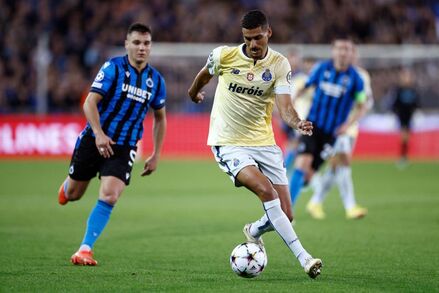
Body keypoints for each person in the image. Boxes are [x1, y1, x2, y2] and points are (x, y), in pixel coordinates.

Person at [188, 10, 322, 279]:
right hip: (228, 142)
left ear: (268, 33)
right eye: (248, 38)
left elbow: (285, 108)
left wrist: (297, 122)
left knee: (286, 213)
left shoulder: (279, 64)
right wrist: (193, 93)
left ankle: (254, 231)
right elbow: (204, 75)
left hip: (264, 143)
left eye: (258, 37)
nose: (253, 44)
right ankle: (305, 258)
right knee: (265, 190)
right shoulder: (224, 56)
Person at [57, 23, 167, 266]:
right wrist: (98, 133)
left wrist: (156, 154)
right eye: (136, 42)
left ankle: (85, 249)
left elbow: (160, 118)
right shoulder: (112, 68)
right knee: (74, 195)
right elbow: (89, 103)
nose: (141, 48)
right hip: (94, 139)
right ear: (127, 44)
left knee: (110, 195)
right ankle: (67, 187)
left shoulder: (156, 81)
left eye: (146, 43)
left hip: (125, 146)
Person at [289, 36, 367, 210]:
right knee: (302, 163)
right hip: (312, 125)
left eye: (346, 49)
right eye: (339, 48)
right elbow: (305, 87)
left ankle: (290, 191)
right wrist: (292, 105)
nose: (343, 52)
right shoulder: (322, 69)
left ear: (351, 53)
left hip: (332, 134)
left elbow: (362, 106)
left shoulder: (356, 79)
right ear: (333, 51)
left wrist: (348, 125)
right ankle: (287, 211)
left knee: (309, 175)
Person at [306, 47, 372, 220]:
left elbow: (366, 101)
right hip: (335, 126)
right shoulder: (330, 71)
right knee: (343, 161)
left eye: (351, 52)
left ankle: (316, 201)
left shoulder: (361, 76)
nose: (347, 55)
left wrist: (357, 112)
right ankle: (350, 206)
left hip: (350, 126)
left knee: (336, 166)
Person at [281, 48, 314, 174]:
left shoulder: (303, 79)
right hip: (288, 115)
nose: (292, 63)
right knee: (293, 144)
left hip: (299, 116)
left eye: (295, 60)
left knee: (295, 144)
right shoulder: (283, 76)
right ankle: (284, 171)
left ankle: (283, 170)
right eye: (290, 60)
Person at [392, 68, 419, 167]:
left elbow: (416, 103)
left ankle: (405, 157)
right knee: (403, 137)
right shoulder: (399, 90)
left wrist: (416, 112)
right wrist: (394, 113)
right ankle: (403, 157)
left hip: (410, 116)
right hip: (401, 116)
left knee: (406, 138)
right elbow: (395, 104)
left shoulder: (413, 90)